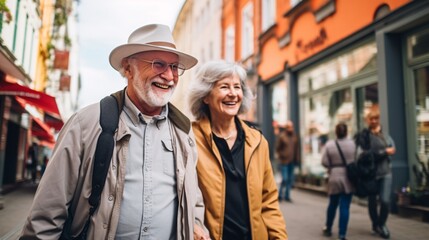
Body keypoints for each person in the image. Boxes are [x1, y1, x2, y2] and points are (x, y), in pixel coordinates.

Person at [20, 24, 209, 240]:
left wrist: (194, 224)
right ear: (128, 69)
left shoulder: (183, 132)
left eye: (175, 67)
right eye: (158, 64)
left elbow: (193, 198)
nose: (169, 76)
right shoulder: (86, 124)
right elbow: (46, 216)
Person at [188, 60, 288, 240]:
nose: (233, 94)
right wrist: (194, 226)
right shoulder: (189, 139)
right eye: (224, 87)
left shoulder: (257, 141)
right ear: (205, 96)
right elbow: (180, 197)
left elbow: (269, 201)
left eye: (237, 87)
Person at [355, 105, 396, 239]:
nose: (374, 121)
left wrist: (388, 151)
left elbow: (392, 148)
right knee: (372, 202)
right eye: (371, 119)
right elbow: (366, 155)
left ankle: (382, 224)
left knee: (385, 201)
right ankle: (375, 224)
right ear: (367, 120)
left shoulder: (385, 135)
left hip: (385, 173)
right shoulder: (364, 136)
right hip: (370, 174)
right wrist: (384, 152)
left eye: (376, 118)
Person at [321, 122, 356, 240]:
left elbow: (324, 162)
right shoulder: (353, 144)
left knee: (332, 204)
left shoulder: (329, 145)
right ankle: (342, 234)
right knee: (345, 206)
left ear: (336, 132)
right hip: (348, 177)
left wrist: (332, 166)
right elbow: (357, 159)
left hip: (334, 176)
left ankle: (328, 228)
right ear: (346, 132)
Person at [276, 120, 300, 202]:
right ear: (286, 128)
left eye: (292, 127)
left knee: (290, 179)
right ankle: (280, 195)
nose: (291, 128)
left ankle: (287, 196)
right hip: (284, 161)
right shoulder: (282, 136)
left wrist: (297, 159)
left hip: (292, 161)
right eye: (289, 127)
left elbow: (296, 149)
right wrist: (281, 155)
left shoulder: (294, 137)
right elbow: (278, 148)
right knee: (285, 179)